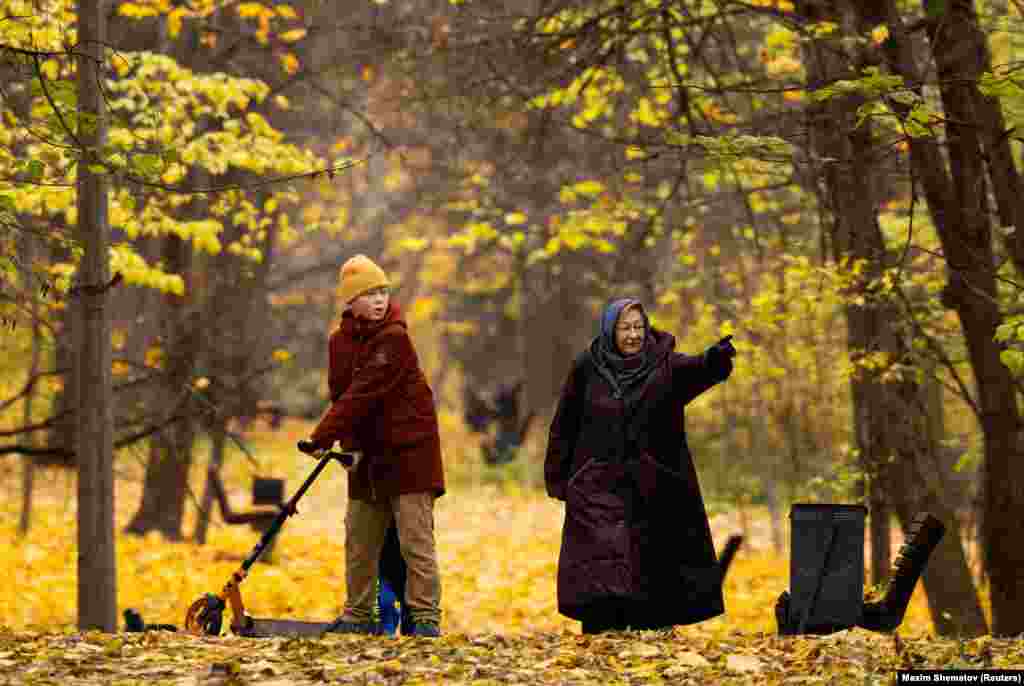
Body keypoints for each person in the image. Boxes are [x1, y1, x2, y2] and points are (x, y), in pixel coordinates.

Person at [544, 298, 737, 634]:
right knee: (602, 570)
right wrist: (559, 476)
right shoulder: (587, 367)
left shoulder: (665, 365)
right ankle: (603, 638)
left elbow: (695, 371)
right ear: (610, 330)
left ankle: (652, 634)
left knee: (651, 569)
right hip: (597, 486)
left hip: (652, 485)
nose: (633, 335)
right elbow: (564, 424)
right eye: (625, 328)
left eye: (638, 327)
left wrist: (714, 361)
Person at [307, 254, 445, 638]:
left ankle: (425, 618)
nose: (379, 299)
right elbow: (342, 397)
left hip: (409, 454)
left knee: (415, 542)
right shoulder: (339, 343)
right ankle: (358, 615)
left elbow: (364, 394)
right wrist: (345, 444)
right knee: (358, 539)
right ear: (350, 302)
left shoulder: (395, 339)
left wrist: (322, 436)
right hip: (369, 458)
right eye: (369, 294)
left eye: (383, 291)